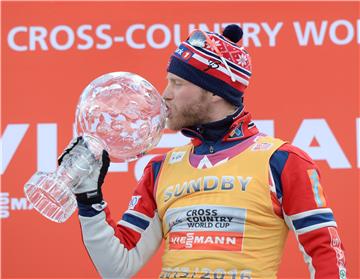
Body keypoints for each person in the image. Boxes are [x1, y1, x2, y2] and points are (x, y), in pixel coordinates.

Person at [59, 25, 347, 278]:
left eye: (177, 83)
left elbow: (325, 252)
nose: (165, 94)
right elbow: (116, 268)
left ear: (215, 92)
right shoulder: (161, 168)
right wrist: (89, 199)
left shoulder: (281, 161)